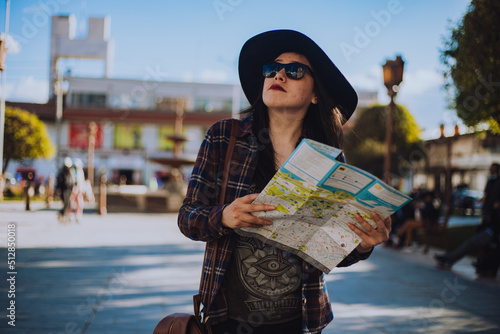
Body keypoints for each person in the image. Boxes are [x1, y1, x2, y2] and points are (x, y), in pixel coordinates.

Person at [178, 30, 391, 334]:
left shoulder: (329, 163)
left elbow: (330, 252)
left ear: (316, 93)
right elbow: (187, 218)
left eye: (294, 71)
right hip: (226, 321)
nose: (278, 74)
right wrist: (224, 216)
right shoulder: (225, 137)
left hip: (300, 323)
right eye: (272, 68)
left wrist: (364, 243)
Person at [434, 163, 500, 270]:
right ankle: (453, 258)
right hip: (489, 221)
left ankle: (452, 258)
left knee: (473, 242)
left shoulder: (497, 183)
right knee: (472, 242)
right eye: (490, 169)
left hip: (493, 227)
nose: (491, 171)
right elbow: (487, 197)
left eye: (493, 169)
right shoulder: (490, 182)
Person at [56, 157, 75, 222]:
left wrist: (72, 188)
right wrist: (58, 189)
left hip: (68, 189)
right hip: (63, 189)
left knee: (68, 203)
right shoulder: (62, 172)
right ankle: (63, 214)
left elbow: (72, 181)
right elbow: (59, 181)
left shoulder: (71, 171)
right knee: (65, 203)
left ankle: (63, 214)